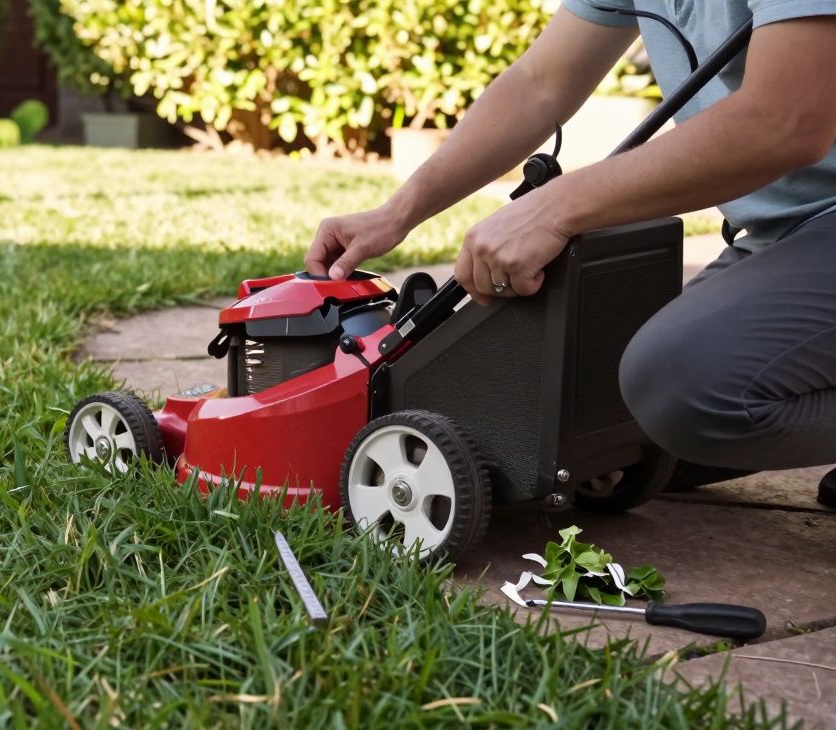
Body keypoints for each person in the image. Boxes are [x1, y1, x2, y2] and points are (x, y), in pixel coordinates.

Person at [304, 1, 836, 503]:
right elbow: (541, 84)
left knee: (680, 385)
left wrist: (555, 208)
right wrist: (399, 212)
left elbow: (785, 120)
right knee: (599, 424)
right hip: (778, 237)